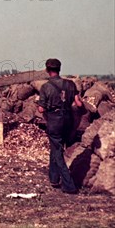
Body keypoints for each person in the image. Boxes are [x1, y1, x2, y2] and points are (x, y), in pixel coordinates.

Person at [37, 58, 82, 194]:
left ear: (47, 70)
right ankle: (54, 179)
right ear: (59, 69)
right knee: (56, 147)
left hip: (55, 121)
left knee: (57, 151)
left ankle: (69, 185)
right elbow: (78, 104)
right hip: (68, 120)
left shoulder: (45, 87)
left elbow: (41, 110)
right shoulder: (70, 84)